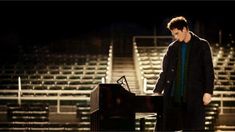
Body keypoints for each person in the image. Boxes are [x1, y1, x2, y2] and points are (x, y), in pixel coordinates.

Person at [153, 16, 214, 131]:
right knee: (166, 127)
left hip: (193, 97)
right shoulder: (172, 47)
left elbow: (209, 70)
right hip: (173, 97)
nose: (175, 37)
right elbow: (164, 71)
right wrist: (157, 91)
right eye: (173, 34)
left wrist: (208, 92)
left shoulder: (202, 45)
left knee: (193, 128)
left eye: (177, 33)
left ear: (185, 29)